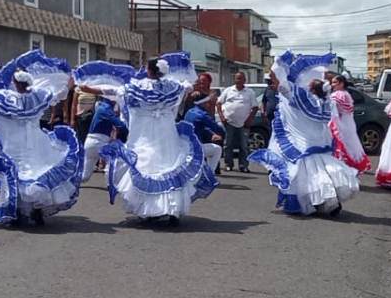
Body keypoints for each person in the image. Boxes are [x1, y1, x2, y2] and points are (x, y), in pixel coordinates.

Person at [76, 54, 218, 225]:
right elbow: (188, 86)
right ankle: (172, 211)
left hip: (144, 135)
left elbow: (109, 90)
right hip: (166, 133)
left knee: (146, 168)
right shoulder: (172, 86)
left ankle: (150, 211)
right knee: (170, 166)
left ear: (149, 70)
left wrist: (84, 86)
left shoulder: (135, 87)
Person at [0, 50, 81, 226]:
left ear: (14, 83)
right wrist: (70, 81)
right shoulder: (38, 97)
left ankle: (19, 212)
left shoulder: (2, 101)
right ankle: (35, 210)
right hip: (36, 143)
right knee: (36, 174)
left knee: (16, 178)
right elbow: (61, 93)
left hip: (13, 146)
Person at [248, 52, 360, 216]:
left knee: (306, 175)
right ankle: (328, 202)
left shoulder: (301, 98)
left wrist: (278, 66)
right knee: (322, 170)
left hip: (304, 143)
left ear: (311, 88)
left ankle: (324, 202)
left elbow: (283, 87)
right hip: (320, 142)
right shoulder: (325, 102)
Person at [328, 75, 371, 172]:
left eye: (335, 82)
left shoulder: (337, 95)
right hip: (349, 122)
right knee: (351, 144)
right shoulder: (346, 94)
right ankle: (352, 165)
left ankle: (343, 166)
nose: (332, 85)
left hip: (341, 122)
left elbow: (335, 112)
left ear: (341, 83)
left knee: (342, 143)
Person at [218, 71, 259, 173]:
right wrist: (222, 117)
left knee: (244, 146)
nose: (239, 80)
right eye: (237, 78)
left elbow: (255, 107)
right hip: (229, 122)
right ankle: (228, 164)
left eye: (241, 78)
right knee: (228, 145)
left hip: (244, 124)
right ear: (234, 80)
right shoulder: (228, 90)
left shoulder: (250, 92)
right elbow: (218, 103)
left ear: (245, 80)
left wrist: (250, 119)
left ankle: (243, 165)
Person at [80, 96, 127, 182]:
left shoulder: (100, 107)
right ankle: (113, 183)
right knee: (116, 160)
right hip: (99, 142)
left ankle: (66, 182)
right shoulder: (106, 109)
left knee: (85, 176)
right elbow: (121, 125)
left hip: (91, 142)